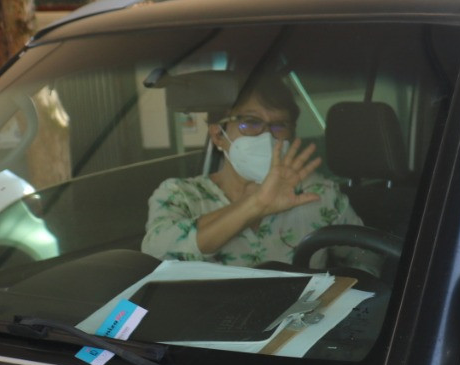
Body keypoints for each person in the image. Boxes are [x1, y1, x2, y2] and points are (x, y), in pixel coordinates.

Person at [143, 74, 364, 267]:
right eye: (250, 122)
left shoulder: (318, 193)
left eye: (279, 125)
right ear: (218, 135)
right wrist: (257, 204)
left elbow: (365, 258)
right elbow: (156, 254)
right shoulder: (180, 195)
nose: (266, 136)